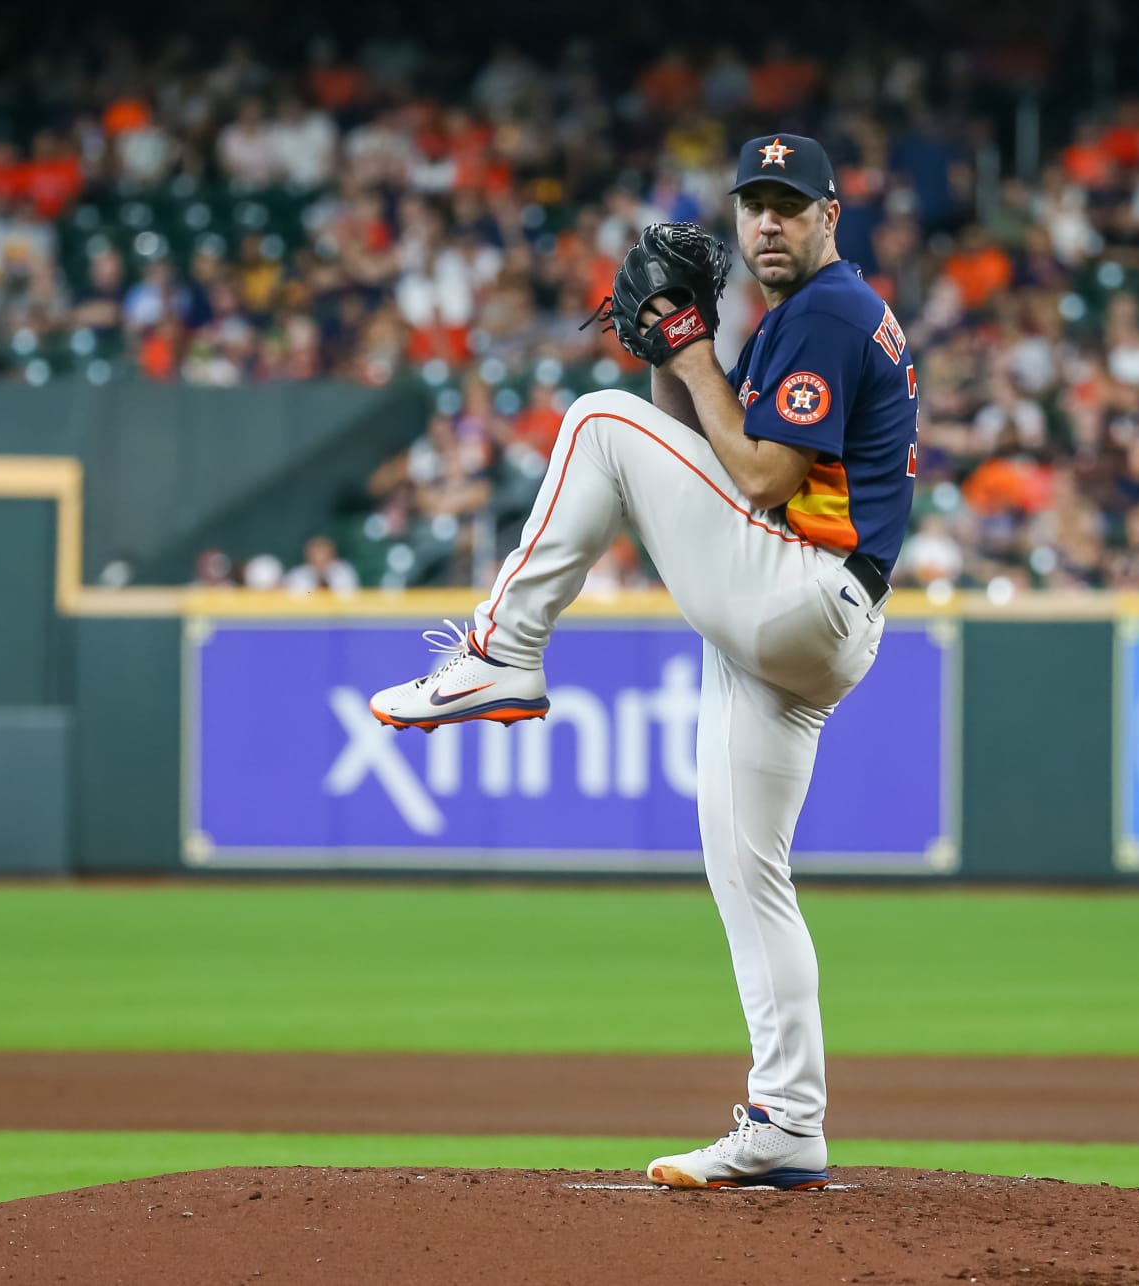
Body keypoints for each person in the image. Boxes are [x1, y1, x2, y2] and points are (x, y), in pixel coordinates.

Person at [368, 134, 919, 1188]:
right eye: (753, 203)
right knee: (751, 877)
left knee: (591, 420)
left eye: (788, 205)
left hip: (802, 586)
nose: (766, 222)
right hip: (806, 620)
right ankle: (787, 1120)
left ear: (830, 216)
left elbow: (756, 481)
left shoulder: (831, 310)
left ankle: (503, 652)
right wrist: (677, 354)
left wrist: (695, 354)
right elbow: (705, 458)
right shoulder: (791, 323)